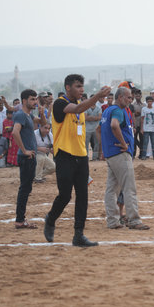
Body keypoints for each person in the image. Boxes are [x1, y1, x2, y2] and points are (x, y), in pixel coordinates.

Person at [43, 75, 111, 245]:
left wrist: (96, 98)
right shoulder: (60, 103)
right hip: (64, 155)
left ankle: (78, 235)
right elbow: (78, 108)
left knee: (83, 196)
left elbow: (80, 110)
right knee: (65, 196)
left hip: (81, 156)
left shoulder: (80, 107)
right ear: (68, 87)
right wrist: (97, 96)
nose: (81, 89)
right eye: (78, 86)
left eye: (82, 86)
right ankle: (50, 219)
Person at [100, 86, 149, 230]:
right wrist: (124, 144)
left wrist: (105, 148)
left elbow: (101, 129)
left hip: (111, 154)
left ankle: (113, 221)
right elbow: (114, 125)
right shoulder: (117, 110)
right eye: (128, 97)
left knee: (112, 189)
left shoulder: (107, 110)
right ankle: (134, 220)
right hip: (119, 153)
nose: (130, 100)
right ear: (120, 97)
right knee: (129, 188)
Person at [13, 89, 46, 229]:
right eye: (32, 99)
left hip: (30, 156)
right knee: (25, 189)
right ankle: (20, 220)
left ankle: (21, 219)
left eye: (36, 99)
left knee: (26, 188)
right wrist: (24, 150)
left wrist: (42, 112)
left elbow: (42, 123)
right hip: (26, 157)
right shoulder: (21, 114)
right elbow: (15, 132)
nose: (35, 102)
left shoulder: (29, 115)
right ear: (24, 101)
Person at [140, 96, 154, 160]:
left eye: (151, 101)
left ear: (153, 102)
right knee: (145, 143)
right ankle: (144, 155)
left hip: (153, 128)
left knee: (153, 143)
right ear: (146, 102)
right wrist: (141, 128)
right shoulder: (144, 109)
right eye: (148, 101)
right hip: (146, 128)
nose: (149, 102)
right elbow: (142, 119)